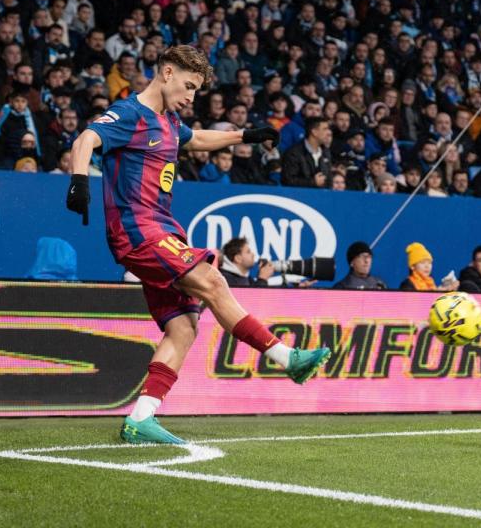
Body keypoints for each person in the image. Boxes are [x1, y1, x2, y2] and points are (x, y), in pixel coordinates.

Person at [64, 46, 331, 445]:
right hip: (139, 231)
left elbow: (198, 138)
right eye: (189, 87)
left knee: (183, 327)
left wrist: (245, 135)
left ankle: (141, 418)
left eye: (197, 90)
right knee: (212, 280)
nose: (191, 97)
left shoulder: (170, 122)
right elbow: (85, 139)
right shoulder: (129, 114)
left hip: (164, 231)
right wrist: (79, 180)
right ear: (166, 73)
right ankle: (285, 358)